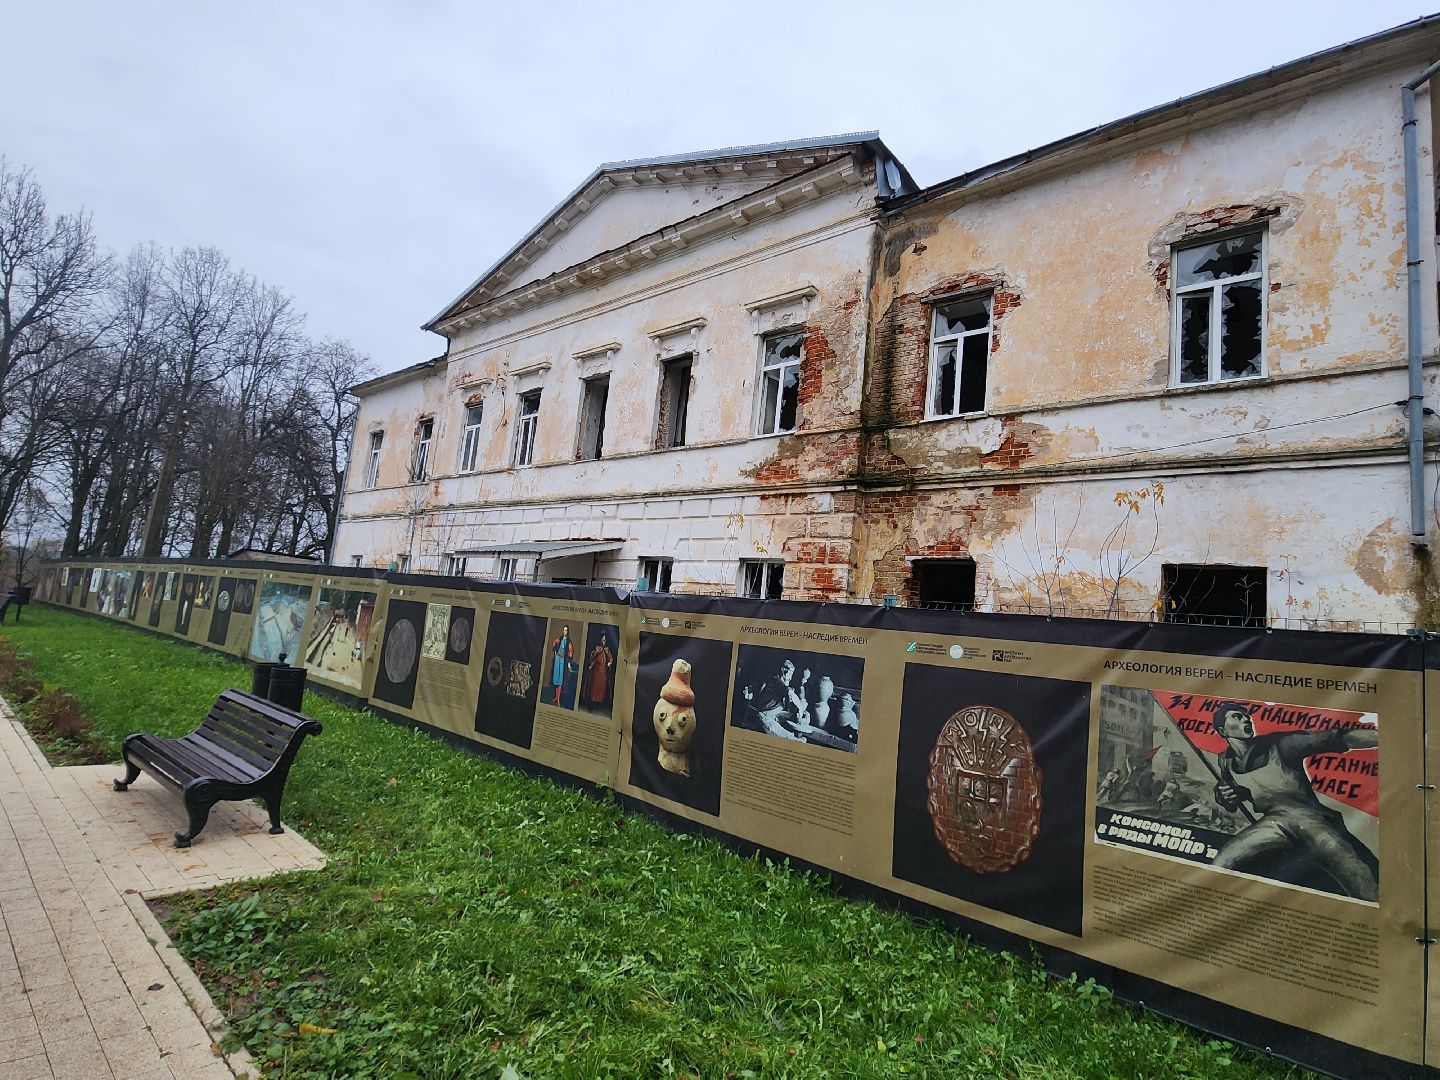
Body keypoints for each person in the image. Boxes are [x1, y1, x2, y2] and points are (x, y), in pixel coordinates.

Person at [1209, 701, 1378, 900]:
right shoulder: (1225, 761)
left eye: (1246, 715)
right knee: (1221, 862)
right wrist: (1224, 795)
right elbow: (1232, 797)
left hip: (1311, 819)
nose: (1246, 718)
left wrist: (1383, 737)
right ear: (1222, 729)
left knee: (1356, 872)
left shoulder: (1281, 744)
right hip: (1272, 823)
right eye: (1237, 716)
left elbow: (1335, 739)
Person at [739, 658, 804, 740]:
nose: (790, 677)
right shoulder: (775, 681)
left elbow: (788, 701)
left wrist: (796, 713)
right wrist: (800, 710)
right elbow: (789, 693)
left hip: (772, 715)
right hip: (763, 717)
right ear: (783, 670)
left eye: (792, 674)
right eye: (790, 673)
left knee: (791, 720)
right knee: (788, 737)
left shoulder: (781, 683)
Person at [586, 632, 615, 707]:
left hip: (603, 670)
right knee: (595, 685)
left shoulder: (607, 650)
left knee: (602, 686)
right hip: (597, 669)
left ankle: (599, 702)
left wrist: (609, 662)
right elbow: (594, 658)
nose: (603, 641)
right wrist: (591, 665)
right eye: (602, 640)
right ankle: (592, 701)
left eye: (604, 640)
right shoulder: (597, 648)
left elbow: (611, 658)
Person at [549, 625, 574, 706]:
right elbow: (554, 642)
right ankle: (556, 697)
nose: (565, 632)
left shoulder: (569, 642)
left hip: (563, 661)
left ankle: (558, 699)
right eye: (564, 630)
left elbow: (570, 651)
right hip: (557, 659)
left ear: (568, 631)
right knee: (556, 679)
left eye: (566, 630)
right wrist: (555, 651)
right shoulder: (560, 638)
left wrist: (569, 662)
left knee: (560, 680)